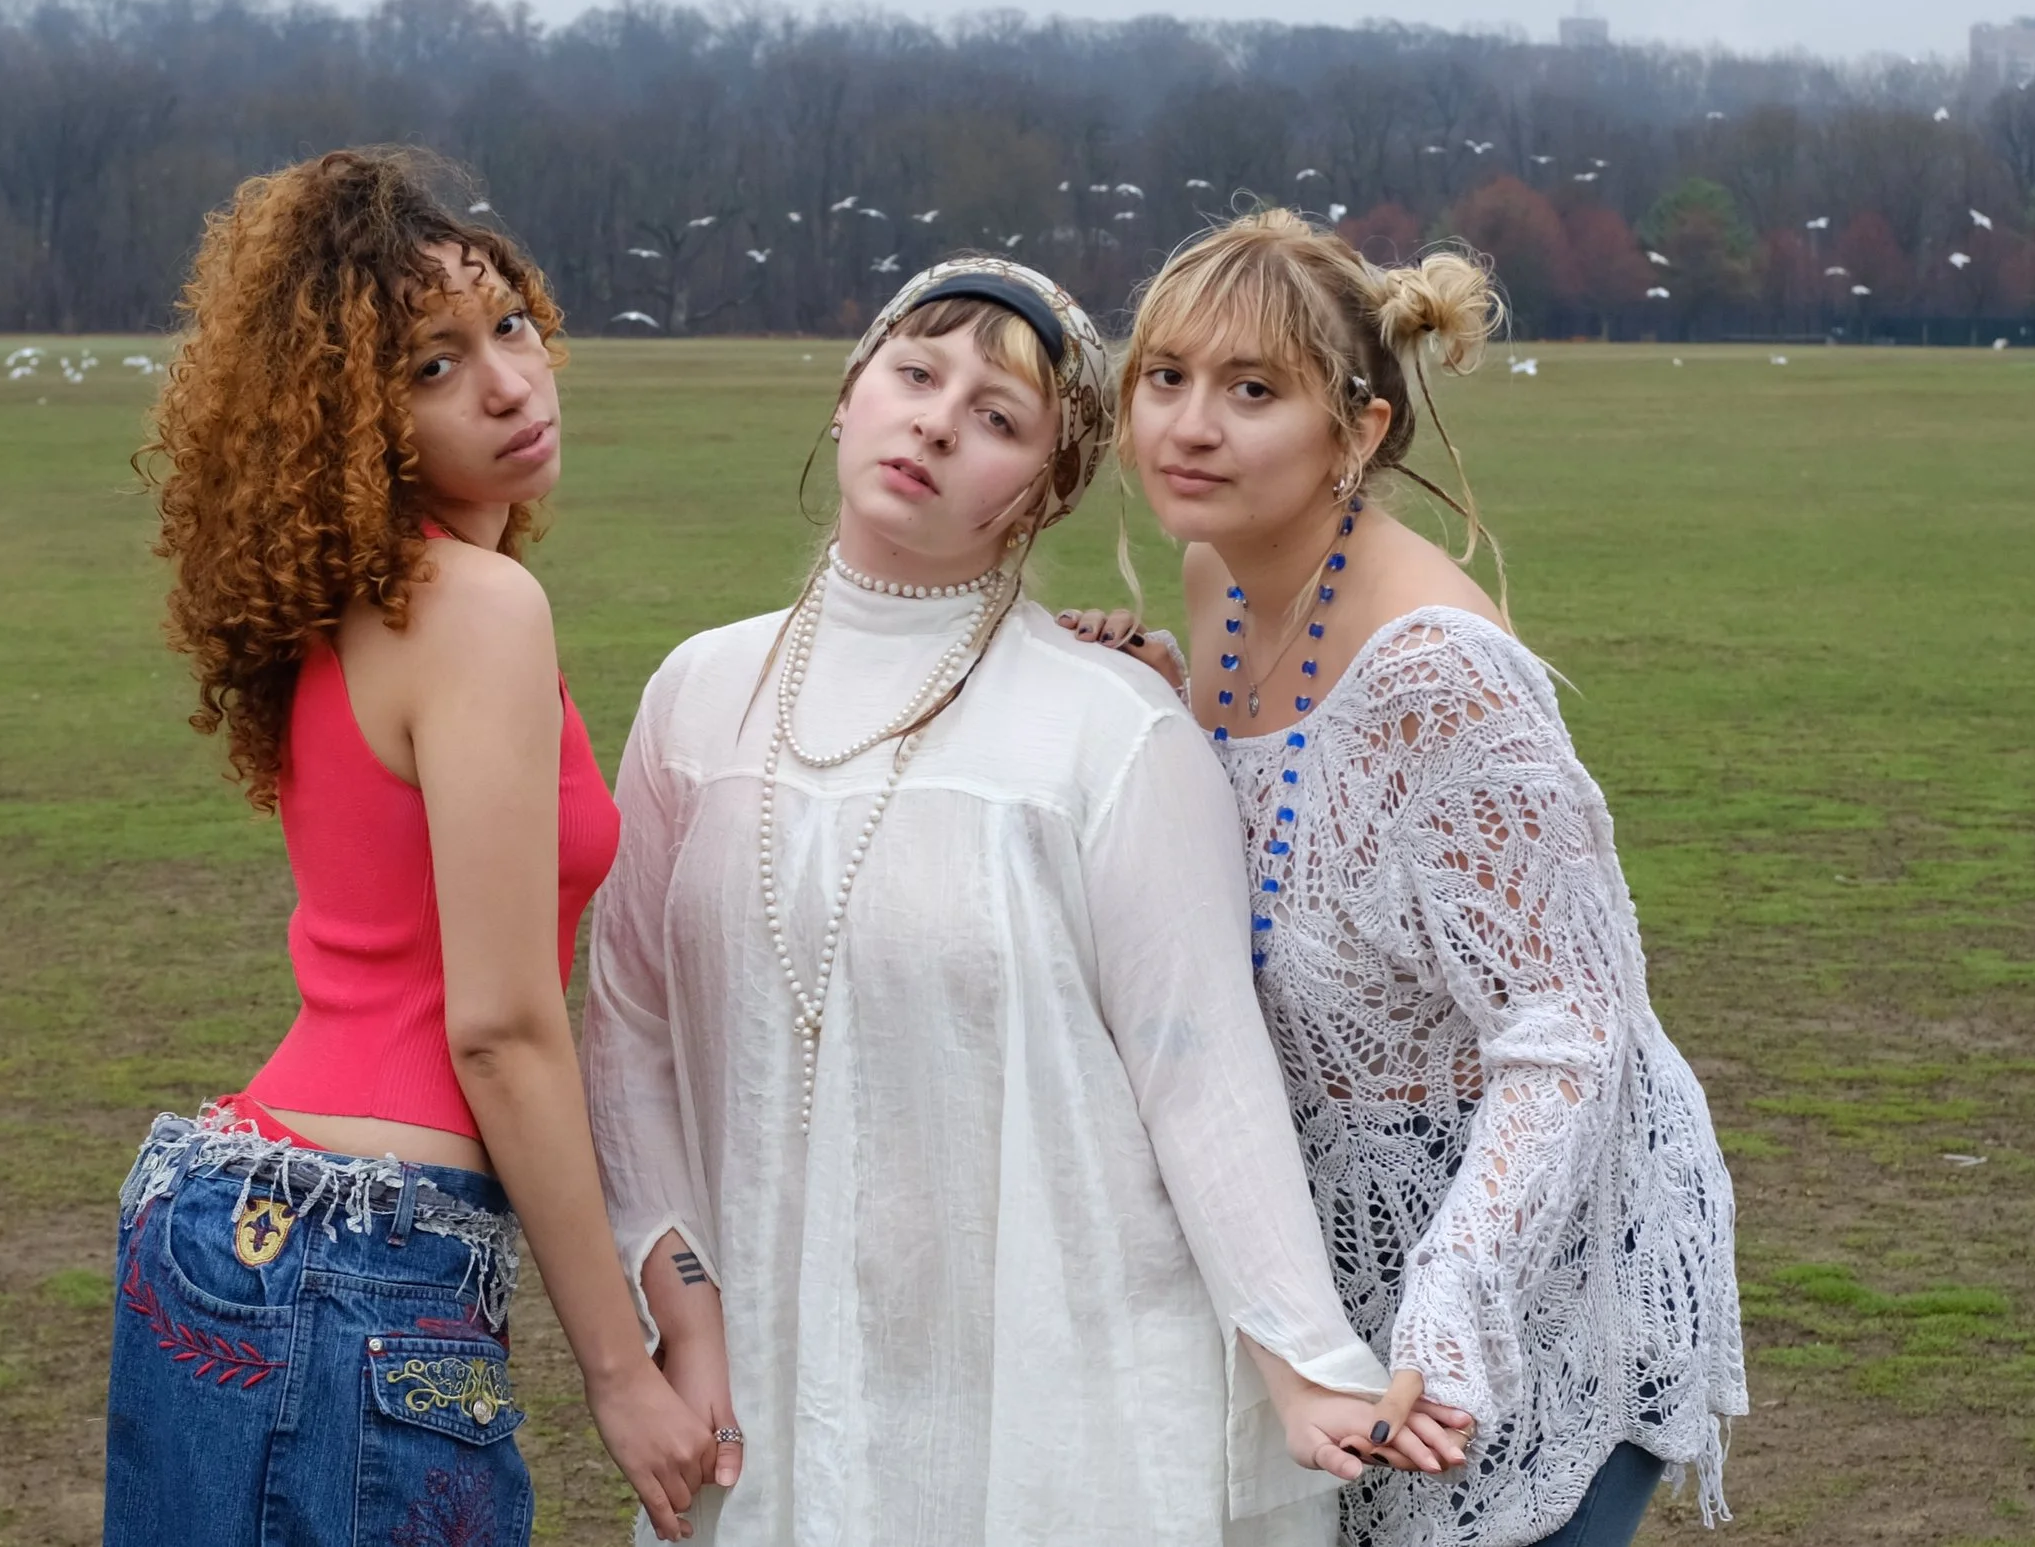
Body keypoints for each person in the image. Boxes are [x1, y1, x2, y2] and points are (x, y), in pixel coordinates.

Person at [581, 257, 1472, 1547]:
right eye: (914, 373)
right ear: (849, 394)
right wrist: (688, 1317)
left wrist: (1300, 1352)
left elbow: (1198, 1062)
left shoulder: (1108, 730)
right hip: (771, 1384)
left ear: (1047, 490)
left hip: (1056, 1391)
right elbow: (630, 1033)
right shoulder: (696, 699)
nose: (938, 422)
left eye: (1000, 417)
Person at [1059, 208, 1747, 1547]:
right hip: (1338, 1264)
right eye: (1167, 378)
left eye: (1252, 390)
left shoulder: (1442, 675)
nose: (1191, 424)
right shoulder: (1218, 581)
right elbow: (1275, 853)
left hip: (1528, 1265)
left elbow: (1571, 1021)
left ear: (1359, 431)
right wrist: (1151, 702)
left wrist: (1458, 1295)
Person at [107, 148, 716, 1547]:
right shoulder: (476, 608)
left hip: (223, 1223)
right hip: (360, 1256)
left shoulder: (364, 605)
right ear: (349, 419)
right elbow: (499, 1026)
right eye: (433, 366)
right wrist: (617, 1373)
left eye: (507, 326)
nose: (509, 381)